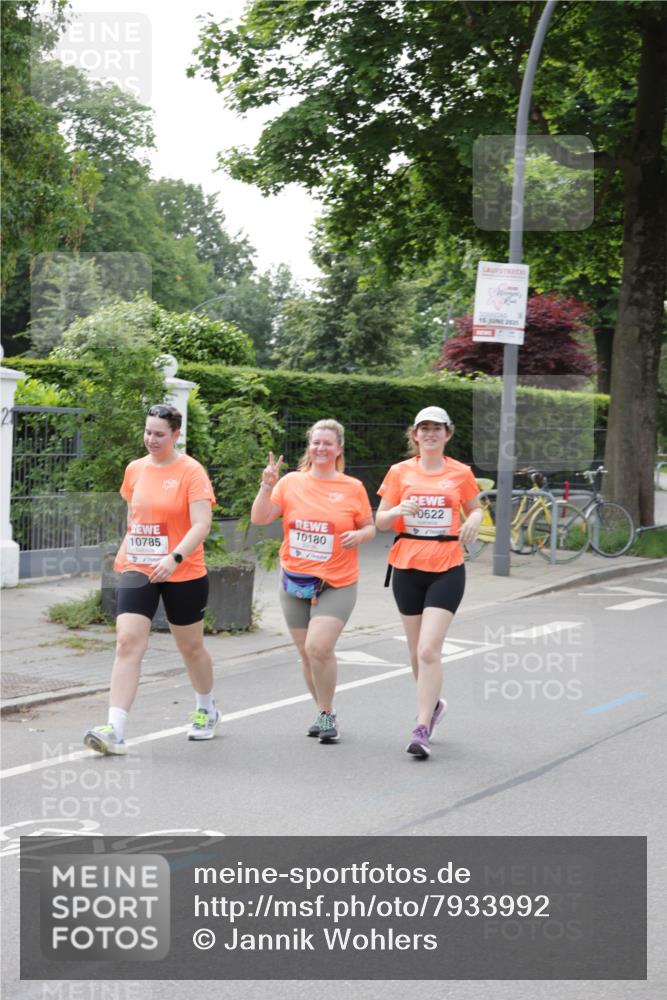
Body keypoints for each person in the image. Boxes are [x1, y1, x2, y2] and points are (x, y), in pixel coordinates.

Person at [83, 403, 217, 755]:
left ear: (176, 434)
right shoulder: (135, 469)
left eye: (159, 434)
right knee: (127, 641)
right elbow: (135, 515)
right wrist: (127, 549)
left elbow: (202, 524)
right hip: (139, 568)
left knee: (190, 647)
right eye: (147, 432)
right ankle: (115, 729)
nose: (151, 439)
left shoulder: (191, 472)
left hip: (182, 569)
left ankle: (206, 707)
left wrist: (174, 558)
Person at [251, 419, 375, 743]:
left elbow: (370, 527)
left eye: (327, 443)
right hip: (294, 581)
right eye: (315, 442)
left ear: (339, 449)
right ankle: (324, 712)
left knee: (318, 646)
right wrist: (266, 485)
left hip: (337, 582)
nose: (321, 448)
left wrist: (359, 534)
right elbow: (260, 518)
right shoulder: (291, 482)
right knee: (306, 654)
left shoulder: (352, 487)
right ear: (309, 446)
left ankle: (326, 711)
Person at [375, 406, 483, 759]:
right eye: (424, 429)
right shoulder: (399, 472)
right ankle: (434, 706)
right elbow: (381, 520)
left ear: (448, 434)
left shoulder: (460, 472)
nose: (430, 434)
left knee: (428, 649)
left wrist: (474, 521)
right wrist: (396, 513)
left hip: (447, 564)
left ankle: (421, 727)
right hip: (407, 565)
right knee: (414, 652)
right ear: (415, 435)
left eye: (437, 428)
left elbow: (476, 506)